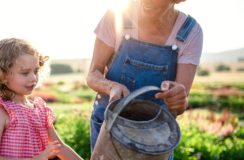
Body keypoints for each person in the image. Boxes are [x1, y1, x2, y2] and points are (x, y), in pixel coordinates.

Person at [86, 0, 203, 158]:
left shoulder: (189, 32)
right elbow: (93, 74)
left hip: (154, 136)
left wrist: (178, 98)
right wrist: (111, 87)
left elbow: (181, 102)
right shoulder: (118, 15)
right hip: (110, 126)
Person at [0, 38, 82, 160]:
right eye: (25, 73)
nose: (33, 78)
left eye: (36, 71)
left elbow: (60, 148)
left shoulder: (40, 110)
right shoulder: (1, 111)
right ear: (3, 75)